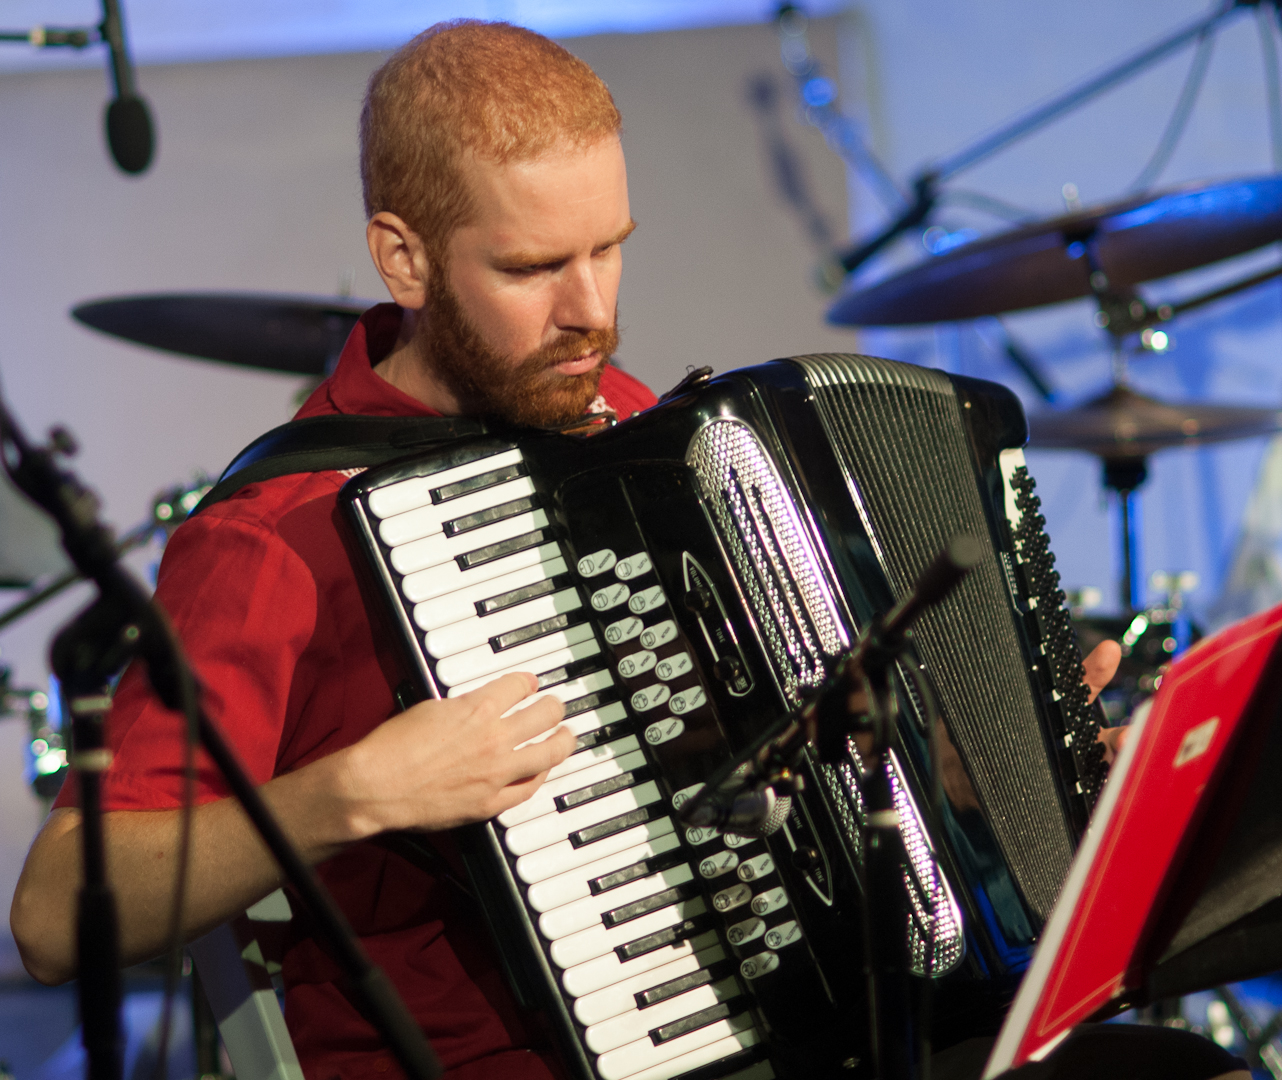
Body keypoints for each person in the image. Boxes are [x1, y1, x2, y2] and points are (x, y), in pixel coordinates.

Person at [8, 19, 1247, 1080]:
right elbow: (57, 917)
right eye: (533, 266)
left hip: (774, 1022)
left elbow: (756, 774)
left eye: (610, 247)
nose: (590, 309)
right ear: (404, 258)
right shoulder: (270, 538)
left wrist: (977, 765)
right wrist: (356, 791)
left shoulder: (628, 439)